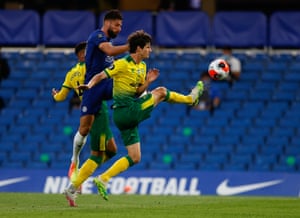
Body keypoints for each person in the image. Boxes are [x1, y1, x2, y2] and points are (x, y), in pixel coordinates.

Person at [63, 30, 204, 205]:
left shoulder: (143, 67)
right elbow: (101, 75)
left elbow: (138, 92)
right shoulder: (122, 64)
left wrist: (148, 81)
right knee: (161, 92)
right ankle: (190, 100)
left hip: (128, 114)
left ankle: (100, 179)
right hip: (125, 111)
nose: (150, 51)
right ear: (138, 49)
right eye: (147, 47)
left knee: (135, 157)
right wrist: (89, 85)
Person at [67, 9, 129, 188]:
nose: (119, 29)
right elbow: (110, 50)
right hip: (93, 89)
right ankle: (75, 161)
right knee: (85, 129)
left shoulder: (108, 41)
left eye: (121, 26)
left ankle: (83, 177)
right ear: (108, 23)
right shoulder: (97, 36)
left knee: (109, 151)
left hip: (105, 87)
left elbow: (112, 61)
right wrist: (130, 47)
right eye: (117, 25)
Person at [51, 42, 118, 198]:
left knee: (112, 150)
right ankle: (74, 184)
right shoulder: (90, 68)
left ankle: (80, 173)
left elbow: (61, 97)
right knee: (97, 155)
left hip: (92, 107)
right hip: (97, 110)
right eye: (87, 52)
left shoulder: (70, 74)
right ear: (81, 55)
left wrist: (55, 95)